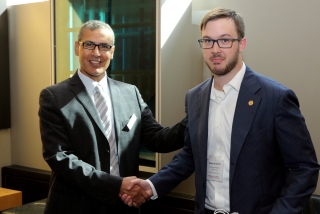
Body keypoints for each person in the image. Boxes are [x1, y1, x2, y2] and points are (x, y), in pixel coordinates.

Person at [123, 7, 320, 214]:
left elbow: (304, 168)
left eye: (225, 40)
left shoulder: (275, 97)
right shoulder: (194, 97)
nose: (215, 49)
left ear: (241, 44)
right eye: (208, 41)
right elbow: (191, 155)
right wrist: (153, 185)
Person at [38, 20, 185, 214]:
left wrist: (198, 117)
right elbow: (59, 158)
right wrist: (116, 185)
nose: (97, 53)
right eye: (89, 45)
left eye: (104, 46)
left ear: (113, 52)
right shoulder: (54, 96)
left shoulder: (130, 93)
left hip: (124, 207)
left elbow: (158, 139)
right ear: (77, 48)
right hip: (76, 207)